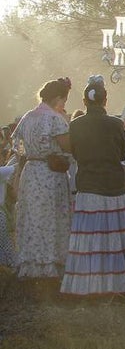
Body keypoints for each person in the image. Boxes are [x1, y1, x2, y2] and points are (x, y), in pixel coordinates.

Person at [59, 76, 125, 297]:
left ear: (84, 101)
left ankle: (87, 286)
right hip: (114, 187)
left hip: (88, 186)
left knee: (90, 237)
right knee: (114, 236)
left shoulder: (76, 125)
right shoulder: (116, 124)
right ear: (105, 100)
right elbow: (122, 153)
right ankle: (119, 285)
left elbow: (75, 153)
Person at [12, 77, 73, 283]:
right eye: (64, 100)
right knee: (50, 216)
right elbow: (67, 146)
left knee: (33, 217)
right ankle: (50, 263)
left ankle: (31, 263)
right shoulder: (55, 119)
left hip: (31, 171)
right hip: (49, 172)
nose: (64, 104)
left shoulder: (28, 117)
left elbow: (18, 147)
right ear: (57, 98)